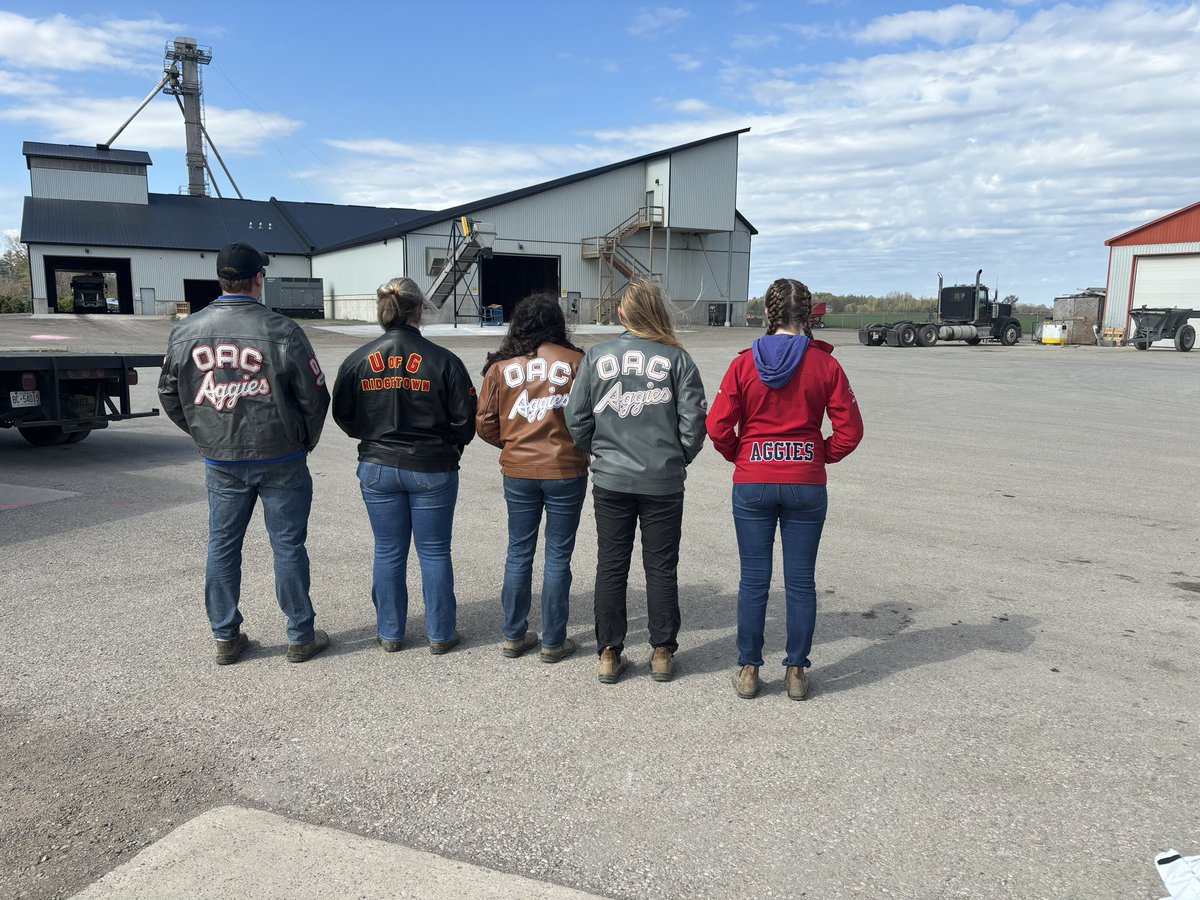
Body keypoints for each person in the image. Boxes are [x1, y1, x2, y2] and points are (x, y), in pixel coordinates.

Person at [158, 241, 331, 666]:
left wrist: (203, 433)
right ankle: (300, 635)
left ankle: (226, 636)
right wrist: (304, 439)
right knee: (288, 545)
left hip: (222, 458)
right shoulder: (282, 330)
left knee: (222, 544)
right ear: (259, 278)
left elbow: (168, 392)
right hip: (281, 455)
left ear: (221, 279)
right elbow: (315, 395)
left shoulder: (186, 331)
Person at [706, 278, 864, 701]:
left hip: (752, 480)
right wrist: (818, 454)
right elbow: (850, 431)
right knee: (801, 582)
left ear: (767, 313)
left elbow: (717, 426)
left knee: (754, 581)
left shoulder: (743, 364)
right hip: (806, 483)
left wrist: (741, 454)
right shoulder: (826, 365)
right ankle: (796, 670)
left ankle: (749, 669)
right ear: (809, 314)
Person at [565, 279, 707, 684]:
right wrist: (679, 456)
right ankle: (662, 652)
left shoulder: (596, 357)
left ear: (622, 314)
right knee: (661, 566)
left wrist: (600, 452)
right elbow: (694, 423)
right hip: (662, 480)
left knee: (611, 564)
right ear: (657, 312)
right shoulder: (677, 360)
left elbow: (576, 419)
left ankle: (609, 652)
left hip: (612, 479)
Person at [331, 277, 476, 655]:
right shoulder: (444, 360)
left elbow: (343, 415)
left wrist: (373, 438)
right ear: (419, 310)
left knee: (388, 550)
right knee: (434, 551)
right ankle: (441, 634)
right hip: (432, 466)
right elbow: (465, 421)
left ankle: (391, 633)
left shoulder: (358, 359)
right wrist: (450, 447)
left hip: (378, 465)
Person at [476, 294, 590, 663]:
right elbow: (591, 418)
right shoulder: (576, 362)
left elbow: (485, 423)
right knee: (559, 556)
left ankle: (513, 635)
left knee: (518, 552)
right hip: (566, 469)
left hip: (519, 470)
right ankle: (554, 641)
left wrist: (511, 444)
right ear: (558, 323)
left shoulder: (500, 368)